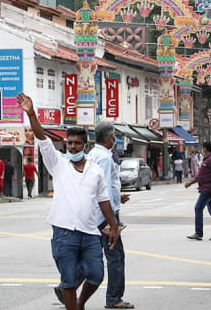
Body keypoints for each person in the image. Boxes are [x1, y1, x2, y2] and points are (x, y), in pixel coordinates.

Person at [19, 92, 118, 310]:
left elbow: (103, 200)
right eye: (69, 143)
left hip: (91, 233)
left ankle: (81, 303)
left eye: (77, 144)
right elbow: (42, 140)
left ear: (85, 144)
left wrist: (114, 226)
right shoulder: (58, 164)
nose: (72, 147)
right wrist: (32, 114)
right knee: (69, 280)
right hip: (64, 233)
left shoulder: (96, 171)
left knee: (96, 274)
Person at [87, 121, 133, 309]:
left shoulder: (92, 155)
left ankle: (67, 286)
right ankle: (114, 298)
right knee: (116, 256)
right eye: (114, 136)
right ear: (110, 138)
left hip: (95, 214)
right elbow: (103, 189)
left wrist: (118, 196)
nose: (115, 139)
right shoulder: (105, 158)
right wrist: (112, 221)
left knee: (90, 255)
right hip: (105, 216)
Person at [185, 141, 211, 241]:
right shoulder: (206, 159)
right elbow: (200, 176)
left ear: (206, 148)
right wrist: (190, 182)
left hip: (208, 189)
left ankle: (198, 233)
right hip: (205, 188)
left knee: (198, 208)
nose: (202, 150)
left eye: (203, 148)